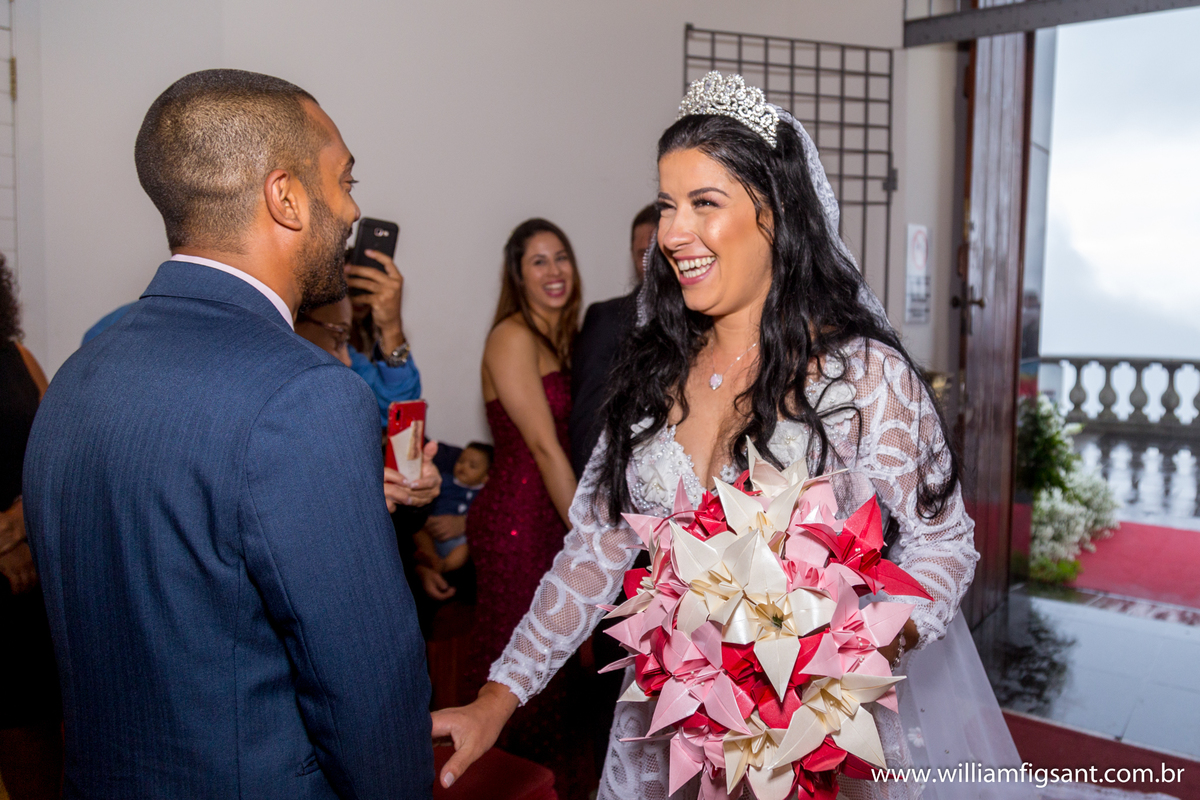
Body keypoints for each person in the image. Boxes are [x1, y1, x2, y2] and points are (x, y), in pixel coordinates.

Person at [432, 72, 988, 800]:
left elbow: (943, 543)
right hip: (669, 731)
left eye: (703, 203)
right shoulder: (652, 371)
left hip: (814, 737)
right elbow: (596, 548)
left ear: (776, 213)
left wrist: (856, 645)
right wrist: (497, 698)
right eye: (667, 206)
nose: (671, 233)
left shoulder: (862, 375)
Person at [23, 69, 437, 799]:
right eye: (343, 180)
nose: (352, 209)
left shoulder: (76, 377)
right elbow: (366, 688)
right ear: (285, 196)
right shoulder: (306, 393)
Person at [462, 218, 593, 798]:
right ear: (518, 275)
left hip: (549, 512)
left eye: (560, 256)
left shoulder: (562, 339)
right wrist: (589, 541)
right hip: (519, 521)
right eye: (538, 261)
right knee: (523, 668)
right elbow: (543, 447)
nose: (554, 270)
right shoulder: (512, 335)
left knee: (560, 674)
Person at [0, 256, 61, 800]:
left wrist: (22, 527)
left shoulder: (17, 357)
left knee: (38, 765)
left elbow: (54, 458)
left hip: (29, 597)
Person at [568, 203, 658, 477]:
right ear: (632, 256)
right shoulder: (606, 319)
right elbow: (588, 426)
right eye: (644, 254)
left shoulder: (710, 318)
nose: (652, 263)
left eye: (660, 252)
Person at [413, 441, 492, 601]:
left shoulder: (485, 494)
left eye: (472, 465)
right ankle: (430, 557)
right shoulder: (444, 480)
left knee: (466, 546)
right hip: (432, 526)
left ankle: (443, 565)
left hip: (458, 540)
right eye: (461, 461)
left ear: (486, 477)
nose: (463, 466)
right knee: (418, 529)